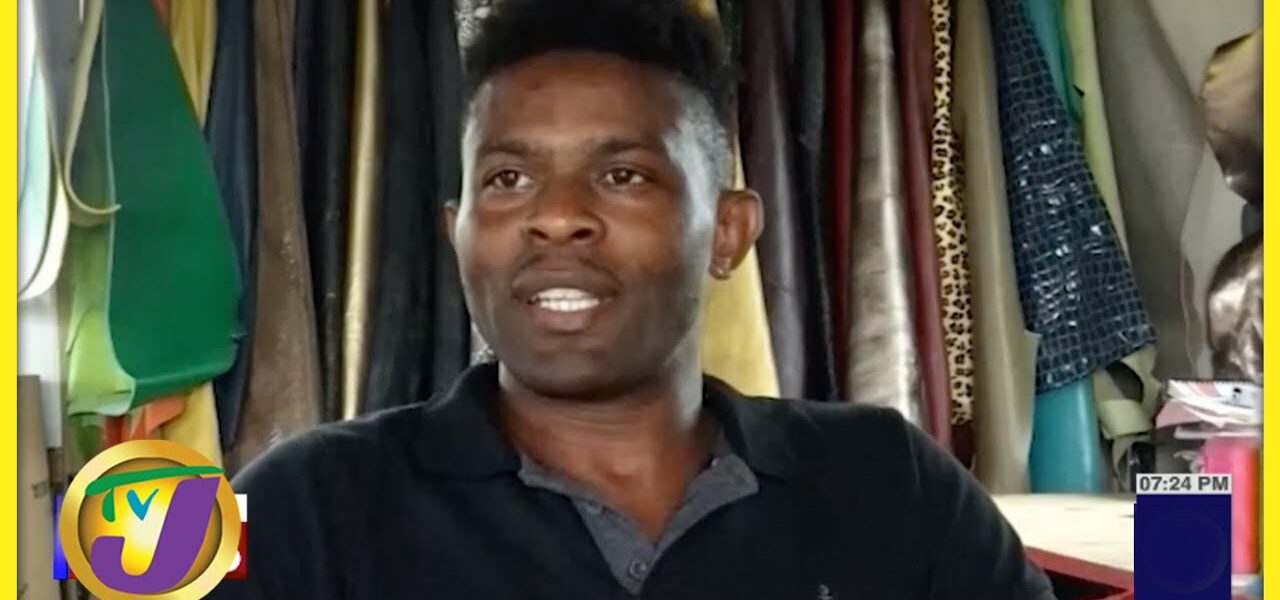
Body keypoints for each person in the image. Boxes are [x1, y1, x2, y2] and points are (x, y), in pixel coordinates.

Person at [210, 0, 1056, 598]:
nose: (556, 217)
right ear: (456, 233)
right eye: (506, 179)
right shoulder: (297, 504)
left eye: (622, 175)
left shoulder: (890, 485)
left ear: (727, 232)